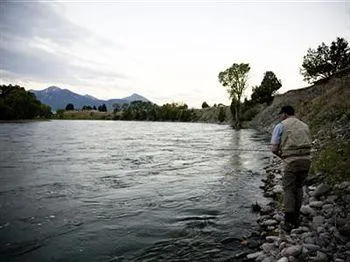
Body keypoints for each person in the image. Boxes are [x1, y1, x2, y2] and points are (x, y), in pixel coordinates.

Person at [270, 105, 312, 232]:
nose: (279, 117)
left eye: (280, 114)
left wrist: (282, 156)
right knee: (298, 187)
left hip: (291, 162)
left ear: (284, 114)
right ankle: (297, 216)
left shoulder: (281, 126)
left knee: (288, 189)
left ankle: (289, 221)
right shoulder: (305, 125)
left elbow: (273, 149)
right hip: (306, 161)